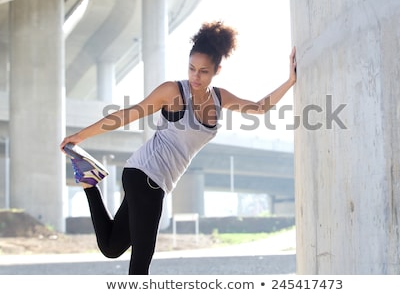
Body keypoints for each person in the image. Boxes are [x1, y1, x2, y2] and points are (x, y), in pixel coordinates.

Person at [60, 21, 297, 275]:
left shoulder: (219, 98)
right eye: (192, 68)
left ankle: (89, 182)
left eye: (204, 71)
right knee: (141, 260)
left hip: (155, 179)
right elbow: (126, 115)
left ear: (217, 70)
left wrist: (290, 80)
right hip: (146, 176)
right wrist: (81, 136)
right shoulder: (174, 92)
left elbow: (259, 108)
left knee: (111, 246)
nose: (196, 76)